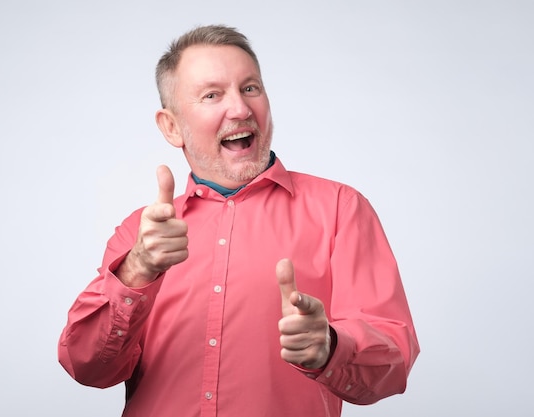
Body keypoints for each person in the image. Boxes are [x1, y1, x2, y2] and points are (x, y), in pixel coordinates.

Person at [58, 24, 420, 417]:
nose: (241, 109)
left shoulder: (340, 209)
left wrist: (331, 347)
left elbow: (393, 360)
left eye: (250, 88)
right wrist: (136, 272)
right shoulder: (140, 234)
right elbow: (87, 366)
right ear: (171, 126)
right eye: (212, 95)